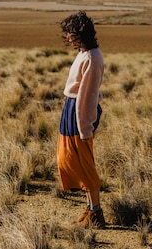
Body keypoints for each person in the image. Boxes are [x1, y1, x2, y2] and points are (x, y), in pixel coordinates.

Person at [57, 11, 106, 228]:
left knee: (86, 165)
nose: (67, 38)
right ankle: (89, 209)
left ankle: (96, 213)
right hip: (72, 112)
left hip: (80, 116)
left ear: (79, 33)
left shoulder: (92, 58)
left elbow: (87, 95)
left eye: (70, 33)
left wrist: (85, 128)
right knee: (72, 161)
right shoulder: (85, 54)